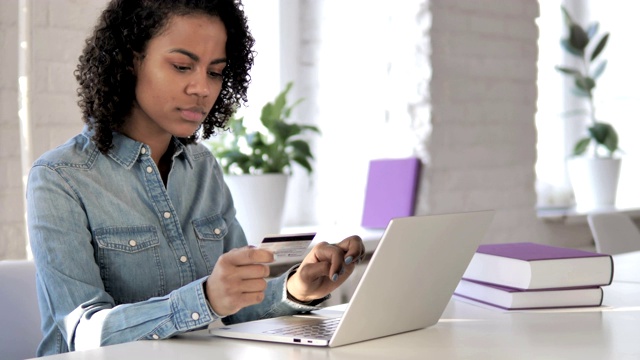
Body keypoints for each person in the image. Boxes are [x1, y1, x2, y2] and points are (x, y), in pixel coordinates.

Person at [26, 0, 365, 356]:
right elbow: (82, 332)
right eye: (182, 66)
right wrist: (205, 298)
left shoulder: (202, 167)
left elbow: (240, 308)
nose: (202, 88)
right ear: (130, 60)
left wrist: (298, 288)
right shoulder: (59, 178)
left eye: (215, 72)